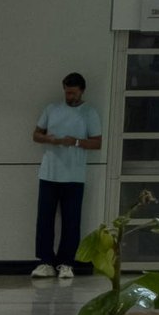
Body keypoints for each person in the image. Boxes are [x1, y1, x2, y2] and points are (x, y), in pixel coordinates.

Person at [31, 72, 101, 281]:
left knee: (71, 222)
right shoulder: (52, 109)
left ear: (82, 91)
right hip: (49, 173)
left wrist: (76, 142)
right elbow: (36, 134)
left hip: (74, 175)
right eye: (67, 92)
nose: (69, 96)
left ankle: (67, 263)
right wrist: (49, 139)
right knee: (45, 220)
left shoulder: (89, 112)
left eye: (73, 93)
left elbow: (97, 142)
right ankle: (45, 261)